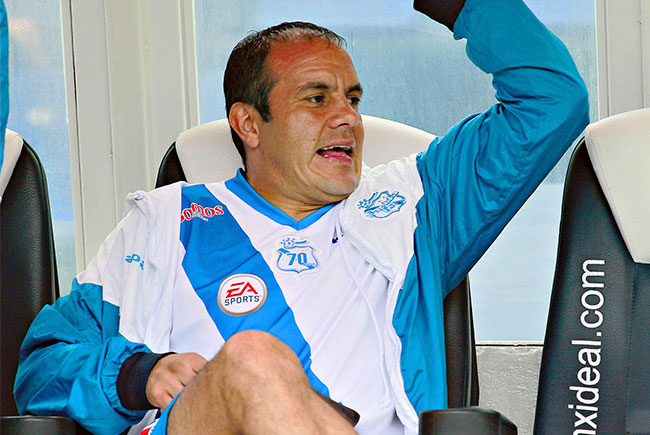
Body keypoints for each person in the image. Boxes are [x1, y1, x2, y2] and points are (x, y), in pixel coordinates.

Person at [14, 0, 589, 434]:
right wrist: (136, 375)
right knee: (253, 359)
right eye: (316, 98)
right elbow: (42, 371)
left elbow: (552, 102)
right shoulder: (164, 221)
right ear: (249, 124)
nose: (347, 118)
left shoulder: (418, 205)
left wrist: (461, 3)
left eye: (352, 99)